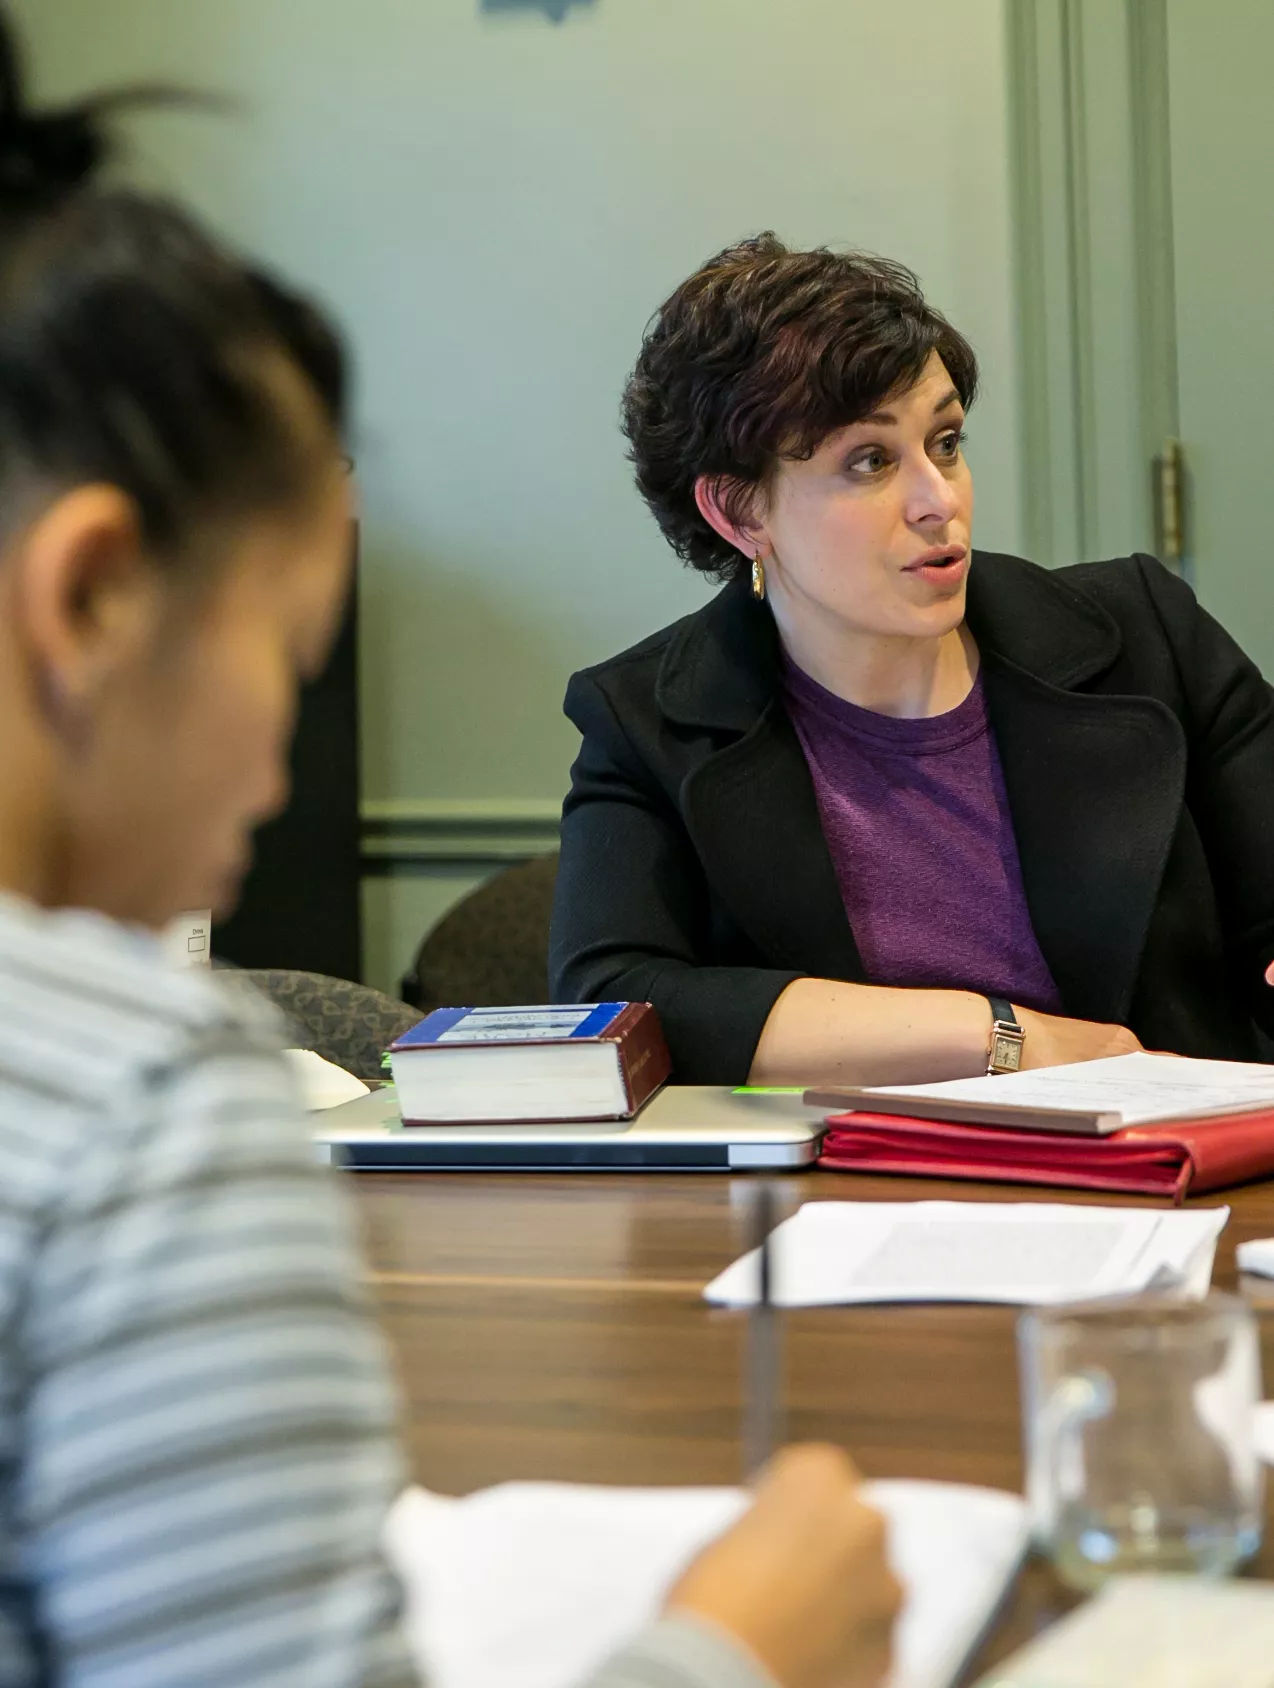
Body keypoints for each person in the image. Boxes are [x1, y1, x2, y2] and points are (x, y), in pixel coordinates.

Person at [0, 30, 900, 1688]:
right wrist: (738, 1647)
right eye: (285, 651)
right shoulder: (139, 1107)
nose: (277, 765)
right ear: (94, 597)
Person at [549, 233, 1274, 1087]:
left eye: (946, 442)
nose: (940, 502)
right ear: (742, 513)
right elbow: (612, 1002)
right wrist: (996, 1033)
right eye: (869, 461)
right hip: (846, 1204)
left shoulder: (1147, 635)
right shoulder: (646, 720)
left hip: (1187, 1178)